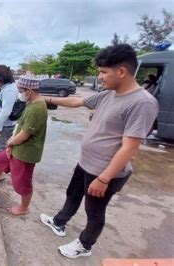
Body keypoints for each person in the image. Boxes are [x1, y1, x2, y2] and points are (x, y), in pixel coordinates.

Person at [39, 44, 159, 259]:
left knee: (94, 211)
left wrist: (104, 179)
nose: (99, 76)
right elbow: (77, 101)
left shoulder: (142, 103)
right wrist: (46, 99)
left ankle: (85, 245)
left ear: (121, 71)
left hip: (104, 172)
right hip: (86, 162)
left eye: (104, 72)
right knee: (73, 195)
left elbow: (129, 147)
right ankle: (59, 222)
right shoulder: (109, 94)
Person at [0, 76, 47, 216]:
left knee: (22, 181)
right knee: (0, 159)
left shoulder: (37, 108)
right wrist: (11, 143)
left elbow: (24, 135)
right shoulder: (30, 103)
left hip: (26, 152)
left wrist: (10, 142)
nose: (19, 94)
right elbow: (20, 127)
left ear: (29, 91)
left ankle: (24, 208)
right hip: (17, 146)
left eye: (21, 91)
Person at [0, 65, 19, 152]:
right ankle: (1, 164)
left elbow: (6, 111)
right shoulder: (6, 87)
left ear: (1, 79)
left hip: (3, 127)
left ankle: (1, 165)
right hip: (2, 125)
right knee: (2, 148)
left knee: (1, 149)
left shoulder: (9, 90)